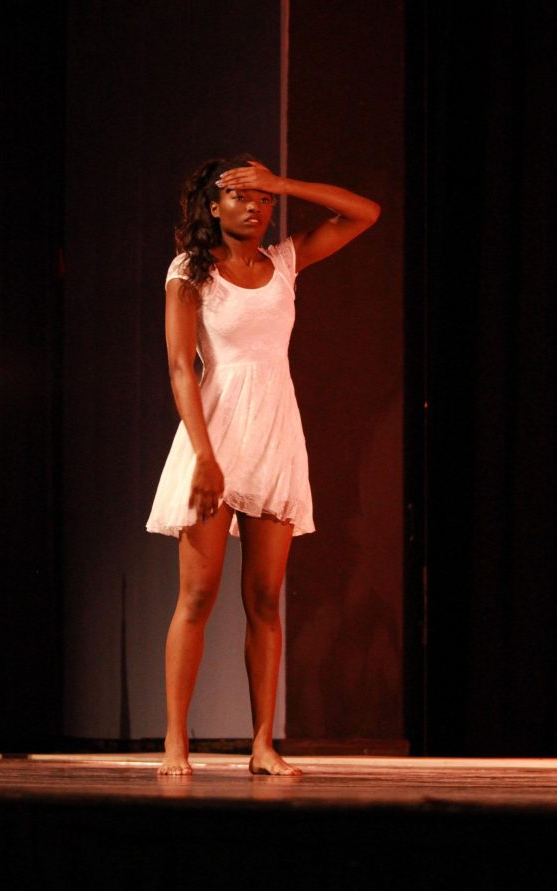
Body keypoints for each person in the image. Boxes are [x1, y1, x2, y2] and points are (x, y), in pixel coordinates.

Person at [147, 156, 380, 775]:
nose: (256, 207)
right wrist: (203, 456)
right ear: (213, 206)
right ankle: (176, 741)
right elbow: (179, 366)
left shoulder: (284, 263)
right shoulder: (191, 271)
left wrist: (284, 183)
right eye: (242, 196)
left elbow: (367, 213)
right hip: (215, 436)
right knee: (197, 596)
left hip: (275, 437)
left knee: (267, 600)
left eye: (263, 198)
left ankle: (261, 745)